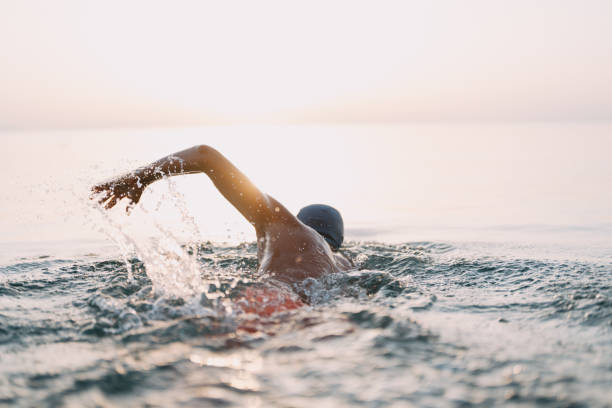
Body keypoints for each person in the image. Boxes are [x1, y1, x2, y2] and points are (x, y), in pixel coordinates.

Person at [91, 145, 352, 291]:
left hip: (269, 301)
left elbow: (206, 156)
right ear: (337, 242)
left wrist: (138, 180)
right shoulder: (344, 265)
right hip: (312, 321)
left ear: (301, 222)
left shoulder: (287, 228)